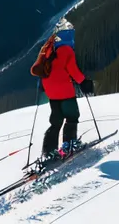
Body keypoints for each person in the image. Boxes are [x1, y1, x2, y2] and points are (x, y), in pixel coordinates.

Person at [34, 18, 94, 160]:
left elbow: (45, 69)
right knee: (72, 116)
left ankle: (49, 151)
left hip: (51, 93)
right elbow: (73, 70)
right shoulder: (66, 50)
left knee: (56, 121)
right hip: (65, 92)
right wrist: (84, 82)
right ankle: (69, 144)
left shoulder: (49, 49)